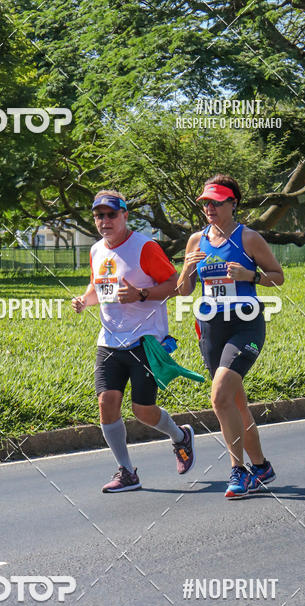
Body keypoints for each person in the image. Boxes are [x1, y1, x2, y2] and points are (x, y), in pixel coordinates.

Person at [72, 189, 195, 493]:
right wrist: (84, 301)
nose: (105, 221)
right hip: (109, 341)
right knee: (106, 402)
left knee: (143, 410)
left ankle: (180, 436)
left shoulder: (145, 247)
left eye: (111, 214)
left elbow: (176, 285)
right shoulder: (96, 250)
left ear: (125, 215)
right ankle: (127, 471)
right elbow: (97, 286)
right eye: (99, 216)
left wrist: (141, 294)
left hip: (145, 341)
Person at [177, 174, 284, 499]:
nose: (209, 208)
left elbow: (278, 277)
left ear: (233, 203)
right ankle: (262, 467)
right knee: (236, 403)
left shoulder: (248, 238)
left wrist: (250, 275)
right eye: (205, 203)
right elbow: (183, 290)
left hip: (245, 324)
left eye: (216, 202)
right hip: (211, 327)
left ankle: (239, 470)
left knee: (220, 396)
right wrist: (186, 268)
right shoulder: (196, 240)